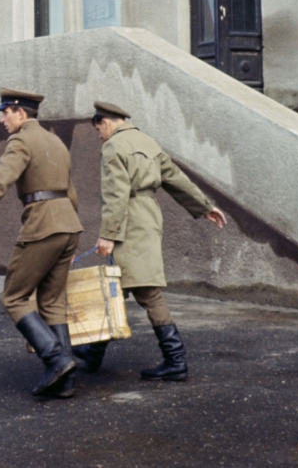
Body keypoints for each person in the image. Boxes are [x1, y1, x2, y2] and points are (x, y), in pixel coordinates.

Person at [80, 101, 228, 382]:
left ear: (106, 122)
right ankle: (94, 353)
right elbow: (174, 177)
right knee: (120, 287)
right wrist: (204, 205)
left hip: (128, 223)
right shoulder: (148, 142)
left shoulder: (113, 146)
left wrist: (108, 235)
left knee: (144, 291)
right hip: (148, 219)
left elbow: (116, 195)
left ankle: (175, 361)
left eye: (98, 128)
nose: (99, 134)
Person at [0, 88, 83, 398]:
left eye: (5, 113)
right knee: (52, 302)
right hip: (68, 224)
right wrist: (69, 231)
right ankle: (65, 381)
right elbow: (71, 191)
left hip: (43, 224)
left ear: (21, 113)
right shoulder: (55, 141)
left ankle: (56, 359)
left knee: (14, 297)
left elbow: (1, 179)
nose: (2, 119)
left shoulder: (21, 140)